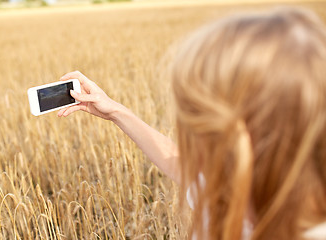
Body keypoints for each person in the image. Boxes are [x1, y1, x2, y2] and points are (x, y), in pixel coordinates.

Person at [57, 7, 326, 240]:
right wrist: (114, 111)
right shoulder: (227, 184)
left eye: (198, 115)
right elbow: (181, 164)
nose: (187, 128)